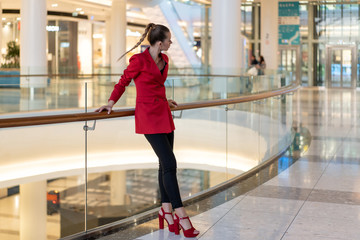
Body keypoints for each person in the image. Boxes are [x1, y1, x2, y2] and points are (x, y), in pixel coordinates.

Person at [95, 23, 199, 238]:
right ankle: (181, 214)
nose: (171, 43)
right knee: (170, 164)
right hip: (148, 118)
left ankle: (166, 210)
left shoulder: (165, 60)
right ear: (159, 43)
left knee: (164, 163)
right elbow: (123, 82)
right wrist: (110, 103)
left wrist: (164, 99)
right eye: (169, 40)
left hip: (164, 113)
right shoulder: (138, 60)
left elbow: (157, 85)